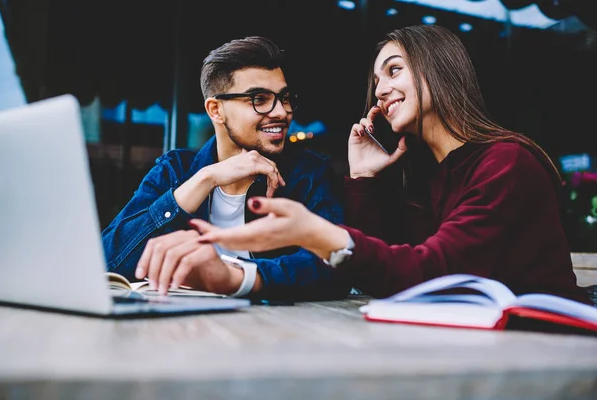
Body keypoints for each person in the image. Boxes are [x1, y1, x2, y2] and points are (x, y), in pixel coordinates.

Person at [191, 25, 593, 305]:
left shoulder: (505, 163)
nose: (380, 90)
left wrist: (322, 236)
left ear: (440, 70)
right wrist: (363, 178)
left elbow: (432, 272)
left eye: (394, 70)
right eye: (377, 79)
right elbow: (377, 276)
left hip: (553, 350)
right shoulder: (423, 174)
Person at [102, 36, 350, 300]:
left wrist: (235, 277)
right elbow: (107, 263)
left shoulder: (309, 174)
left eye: (284, 97)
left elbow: (335, 265)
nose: (281, 111)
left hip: (277, 331)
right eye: (259, 99)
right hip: (179, 331)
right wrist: (206, 178)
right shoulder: (175, 170)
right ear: (216, 110)